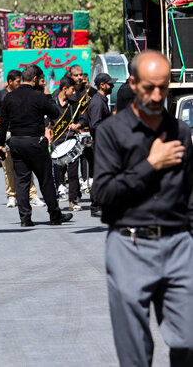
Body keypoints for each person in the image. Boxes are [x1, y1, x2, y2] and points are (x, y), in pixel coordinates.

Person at [93, 50, 193, 366]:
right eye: (150, 87)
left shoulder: (182, 132)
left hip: (178, 245)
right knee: (134, 349)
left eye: (163, 87)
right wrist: (151, 164)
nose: (157, 95)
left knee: (189, 341)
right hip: (129, 243)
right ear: (133, 83)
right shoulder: (112, 132)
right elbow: (103, 193)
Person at [0, 64, 73, 227]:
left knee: (22, 181)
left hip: (16, 142)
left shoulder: (9, 97)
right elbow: (55, 113)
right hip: (35, 142)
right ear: (34, 79)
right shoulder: (39, 96)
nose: (43, 82)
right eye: (41, 79)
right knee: (45, 180)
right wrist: (46, 96)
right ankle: (54, 215)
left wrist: (0, 144)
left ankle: (25, 219)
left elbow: (3, 124)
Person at [0, 69, 44, 208]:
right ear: (10, 82)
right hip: (6, 134)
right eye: (17, 81)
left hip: (22, 134)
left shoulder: (23, 94)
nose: (20, 83)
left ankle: (33, 195)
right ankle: (11, 196)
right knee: (8, 168)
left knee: (27, 166)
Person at [46, 76, 84, 211]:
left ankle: (73, 201)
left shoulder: (74, 105)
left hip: (71, 141)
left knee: (73, 174)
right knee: (55, 175)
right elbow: (46, 122)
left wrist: (77, 125)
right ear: (64, 88)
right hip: (56, 143)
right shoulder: (51, 103)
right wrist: (48, 133)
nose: (74, 92)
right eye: (72, 89)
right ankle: (54, 202)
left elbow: (83, 120)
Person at [86, 73, 116, 218]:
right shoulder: (98, 102)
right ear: (102, 85)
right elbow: (95, 125)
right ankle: (95, 206)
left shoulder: (101, 100)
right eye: (110, 84)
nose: (113, 86)